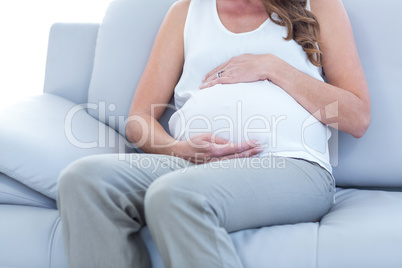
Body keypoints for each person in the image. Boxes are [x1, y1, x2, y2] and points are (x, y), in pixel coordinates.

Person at [57, 0, 370, 267]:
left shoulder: (318, 6)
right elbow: (138, 121)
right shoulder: (187, 11)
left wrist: (273, 67)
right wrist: (177, 148)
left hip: (290, 164)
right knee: (84, 180)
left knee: (176, 196)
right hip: (193, 166)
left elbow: (358, 117)